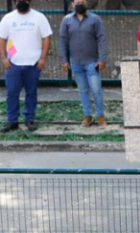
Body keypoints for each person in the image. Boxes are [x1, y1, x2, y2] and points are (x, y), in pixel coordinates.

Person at [0, 0, 52, 133]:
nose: (21, 2)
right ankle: (12, 120)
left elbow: (47, 37)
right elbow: (2, 38)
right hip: (13, 63)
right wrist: (4, 58)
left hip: (33, 63)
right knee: (12, 93)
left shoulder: (39, 17)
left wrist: (42, 58)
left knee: (31, 93)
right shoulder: (8, 18)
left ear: (30, 1)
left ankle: (30, 119)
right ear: (15, 2)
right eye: (18, 0)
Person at [59, 0, 108, 128]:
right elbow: (62, 41)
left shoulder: (95, 19)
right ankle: (87, 116)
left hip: (92, 62)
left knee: (96, 90)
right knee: (82, 90)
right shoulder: (67, 20)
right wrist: (64, 60)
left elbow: (102, 39)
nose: (79, 4)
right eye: (77, 1)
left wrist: (102, 59)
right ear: (72, 4)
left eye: (82, 1)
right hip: (75, 63)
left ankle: (100, 116)